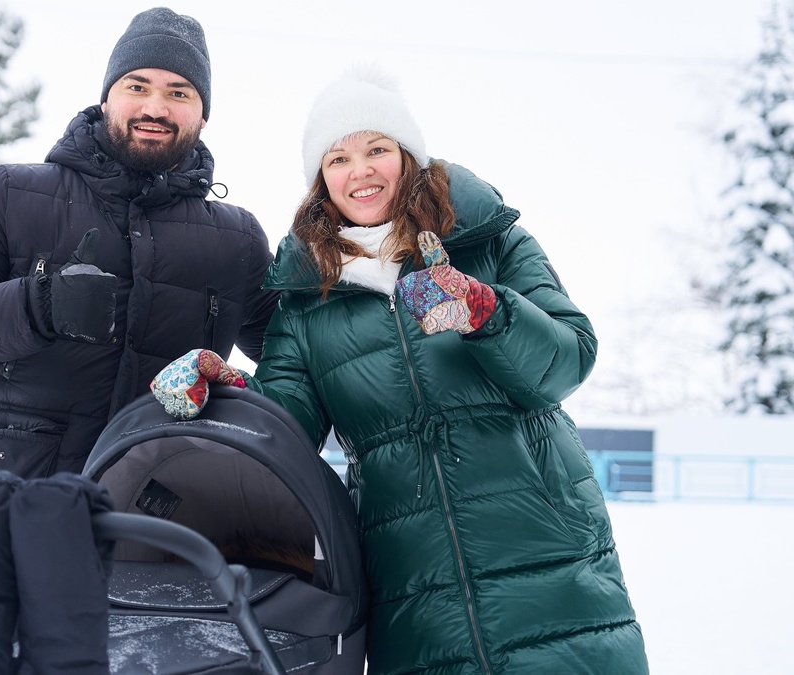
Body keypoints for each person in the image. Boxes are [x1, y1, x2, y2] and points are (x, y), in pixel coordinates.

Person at [151, 66, 649, 673]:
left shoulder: (490, 243)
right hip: (411, 572)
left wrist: (484, 311)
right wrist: (227, 392)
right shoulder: (309, 297)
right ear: (320, 180)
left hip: (545, 549)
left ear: (407, 156)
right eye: (336, 159)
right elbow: (287, 429)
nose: (358, 171)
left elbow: (567, 362)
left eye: (376, 149)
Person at [0, 6, 278, 670]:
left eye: (179, 92)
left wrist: (236, 381)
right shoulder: (9, 194)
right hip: (2, 541)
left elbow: (298, 355)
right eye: (138, 85)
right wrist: (35, 303)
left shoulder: (236, 238)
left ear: (202, 114)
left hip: (158, 547)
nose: (156, 105)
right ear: (107, 96)